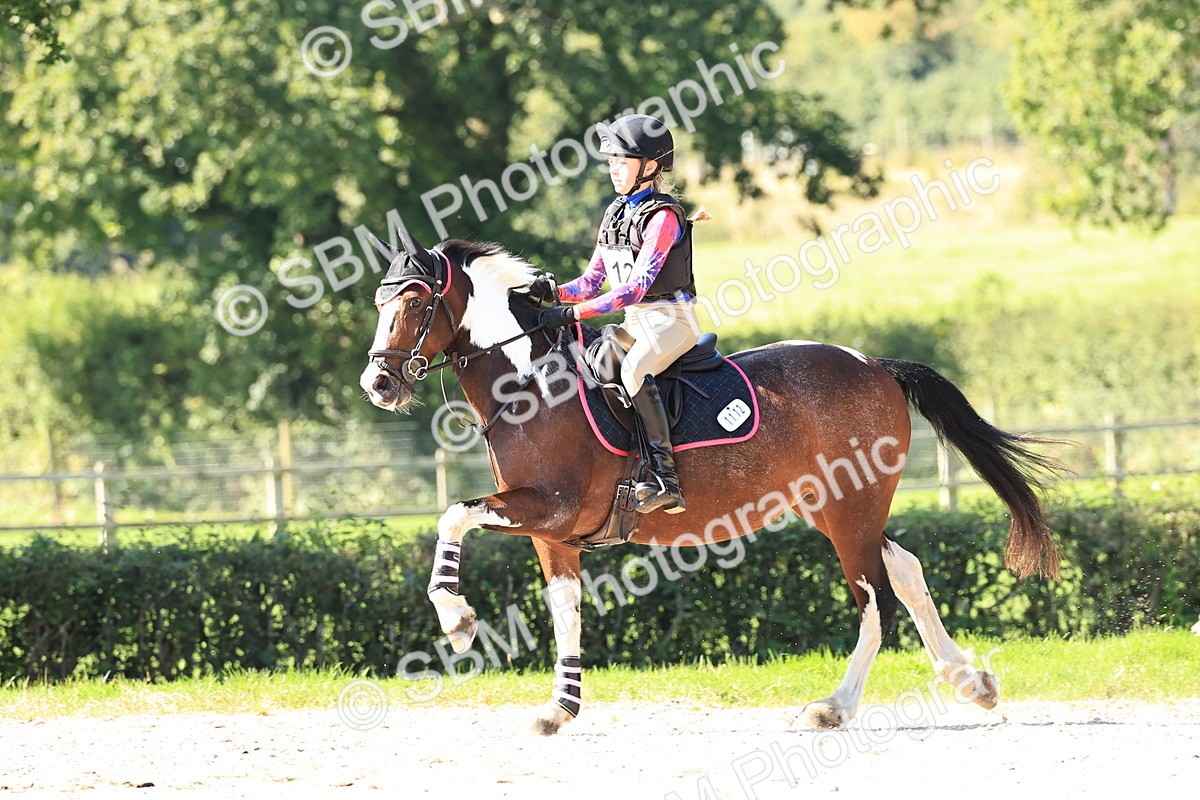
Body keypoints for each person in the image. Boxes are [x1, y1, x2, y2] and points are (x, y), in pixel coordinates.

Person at [532, 114, 708, 515]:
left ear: (649, 167)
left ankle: (667, 480)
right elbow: (590, 282)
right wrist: (551, 291)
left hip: (671, 322)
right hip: (636, 324)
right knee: (590, 362)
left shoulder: (664, 218)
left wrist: (571, 313)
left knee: (633, 372)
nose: (612, 169)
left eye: (621, 161)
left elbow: (633, 290)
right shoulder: (615, 212)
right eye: (610, 161)